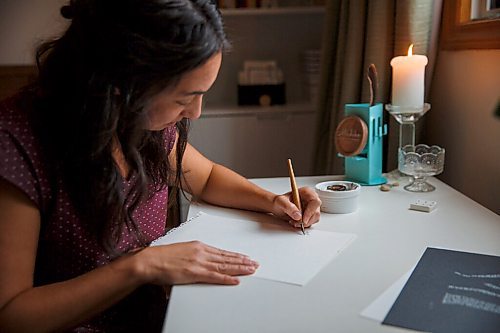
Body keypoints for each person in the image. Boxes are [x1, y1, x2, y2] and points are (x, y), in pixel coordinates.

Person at [0, 0, 321, 331]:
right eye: (184, 99)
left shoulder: (144, 121)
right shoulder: (17, 143)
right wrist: (139, 266)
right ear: (122, 83)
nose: (195, 112)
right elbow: (11, 314)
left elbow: (207, 178)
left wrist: (273, 201)